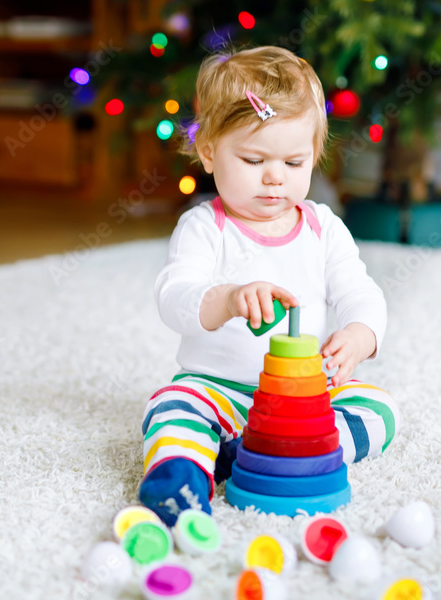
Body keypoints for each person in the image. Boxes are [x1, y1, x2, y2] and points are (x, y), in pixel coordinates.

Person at [140, 46, 399, 525]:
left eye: (295, 163)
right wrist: (228, 298)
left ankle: (273, 452)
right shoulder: (205, 228)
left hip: (303, 398)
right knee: (172, 407)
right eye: (254, 159)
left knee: (378, 410)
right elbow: (173, 299)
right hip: (217, 390)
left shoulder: (323, 228)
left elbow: (361, 293)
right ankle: (181, 478)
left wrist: (361, 336)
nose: (275, 178)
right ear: (209, 152)